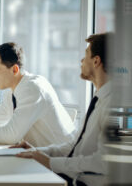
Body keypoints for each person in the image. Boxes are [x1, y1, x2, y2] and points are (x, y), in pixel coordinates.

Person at [12, 33, 110, 186]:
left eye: (86, 55)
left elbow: (103, 161)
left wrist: (50, 162)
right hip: (73, 178)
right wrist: (38, 152)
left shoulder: (114, 104)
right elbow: (74, 146)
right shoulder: (99, 100)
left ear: (96, 61)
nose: (81, 61)